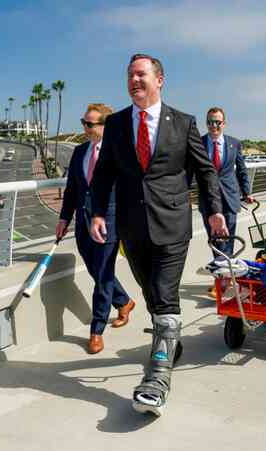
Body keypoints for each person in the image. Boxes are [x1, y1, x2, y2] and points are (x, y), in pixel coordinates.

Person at [89, 54, 227, 416]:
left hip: (172, 225)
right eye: (129, 75)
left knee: (165, 296)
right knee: (150, 293)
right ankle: (170, 342)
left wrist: (213, 210)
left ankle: (157, 379)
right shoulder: (117, 123)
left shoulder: (183, 123)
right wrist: (99, 212)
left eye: (141, 74)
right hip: (132, 229)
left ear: (159, 79)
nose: (134, 80)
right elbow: (104, 171)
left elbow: (205, 171)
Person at [56, 104, 136, 354]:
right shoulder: (80, 151)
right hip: (82, 222)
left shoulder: (118, 152)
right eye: (84, 122)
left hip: (109, 223)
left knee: (102, 276)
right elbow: (72, 190)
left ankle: (96, 331)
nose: (85, 128)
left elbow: (128, 188)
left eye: (90, 124)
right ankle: (124, 301)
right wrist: (63, 219)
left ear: (105, 126)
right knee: (96, 270)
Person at [197, 107, 254, 298]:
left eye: (217, 122)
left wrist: (246, 192)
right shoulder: (199, 143)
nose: (214, 126)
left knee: (227, 240)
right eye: (210, 122)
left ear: (224, 124)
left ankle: (222, 281)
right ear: (206, 123)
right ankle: (224, 278)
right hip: (207, 199)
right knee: (215, 240)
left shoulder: (234, 144)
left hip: (229, 197)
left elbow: (242, 170)